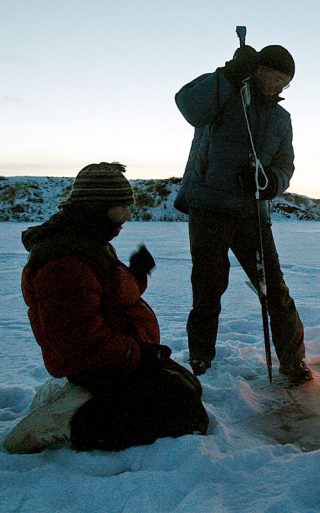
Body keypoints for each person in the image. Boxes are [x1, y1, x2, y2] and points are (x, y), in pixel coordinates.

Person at [4, 163, 208, 454]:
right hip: (95, 365)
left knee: (187, 388)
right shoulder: (65, 260)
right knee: (186, 417)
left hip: (114, 356)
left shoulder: (89, 242)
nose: (128, 214)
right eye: (122, 206)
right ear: (97, 206)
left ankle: (82, 400)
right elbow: (78, 342)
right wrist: (136, 354)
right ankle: (69, 419)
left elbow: (110, 299)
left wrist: (136, 276)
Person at [174, 43, 312, 384]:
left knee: (274, 289)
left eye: (286, 83)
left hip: (252, 211)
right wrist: (228, 75)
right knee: (208, 288)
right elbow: (189, 105)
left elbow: (284, 164)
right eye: (277, 78)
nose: (280, 88)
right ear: (260, 70)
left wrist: (270, 184)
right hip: (209, 207)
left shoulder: (281, 118)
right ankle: (201, 359)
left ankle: (293, 361)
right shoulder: (224, 92)